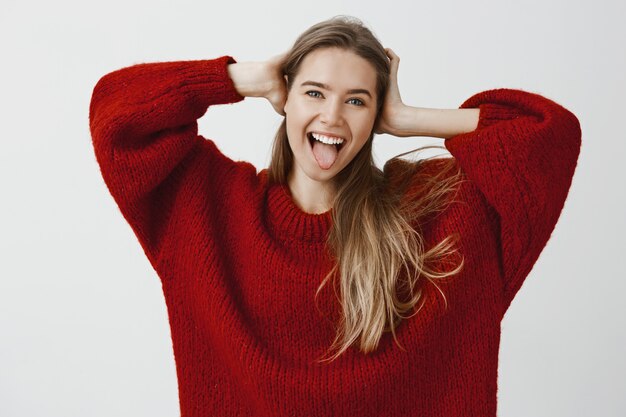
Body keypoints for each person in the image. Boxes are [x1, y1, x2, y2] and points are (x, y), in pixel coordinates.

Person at [89, 15, 581, 417]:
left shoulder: (432, 211)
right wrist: (240, 77)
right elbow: (116, 116)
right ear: (285, 98)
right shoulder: (207, 206)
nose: (332, 118)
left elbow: (548, 137)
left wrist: (407, 119)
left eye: (357, 101)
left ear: (376, 115)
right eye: (315, 93)